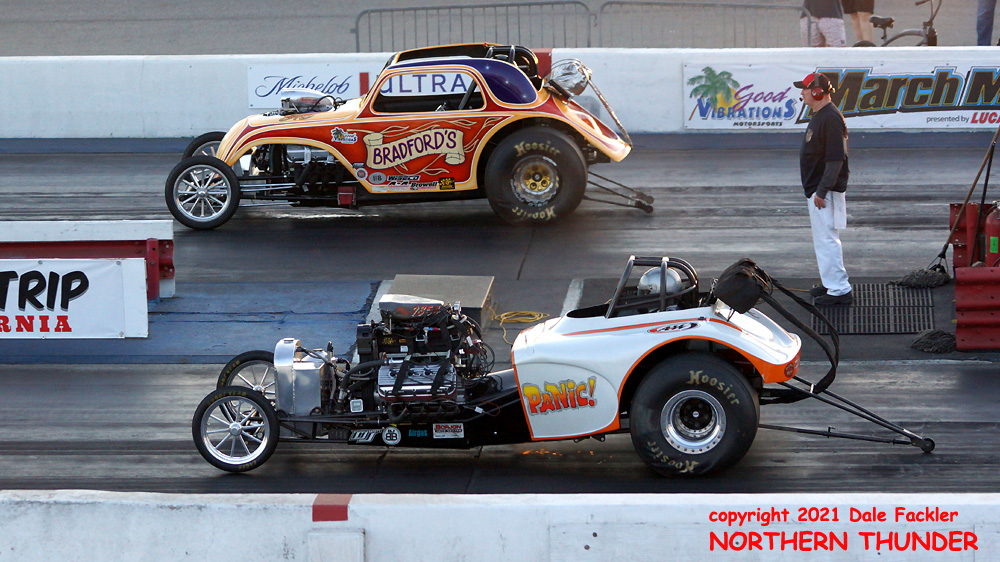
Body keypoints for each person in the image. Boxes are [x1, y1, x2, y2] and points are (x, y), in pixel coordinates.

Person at [794, 73, 853, 305]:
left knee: (827, 239)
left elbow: (836, 159)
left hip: (823, 192)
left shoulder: (830, 118)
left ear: (818, 92)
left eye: (805, 89)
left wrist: (821, 190)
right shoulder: (822, 115)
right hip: (819, 189)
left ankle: (839, 289)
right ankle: (831, 283)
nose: (802, 93)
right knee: (823, 239)